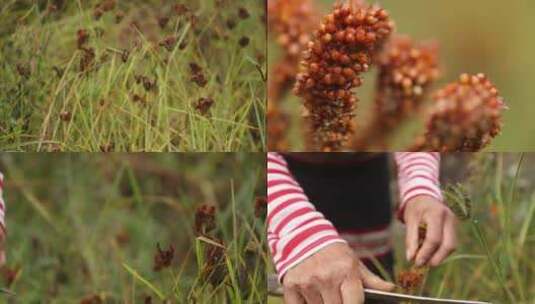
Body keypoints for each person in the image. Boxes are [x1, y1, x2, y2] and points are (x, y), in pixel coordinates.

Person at [267, 152, 458, 304]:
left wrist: (420, 185)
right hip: (292, 183)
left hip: (368, 183)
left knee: (377, 282)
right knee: (314, 288)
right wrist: (300, 234)